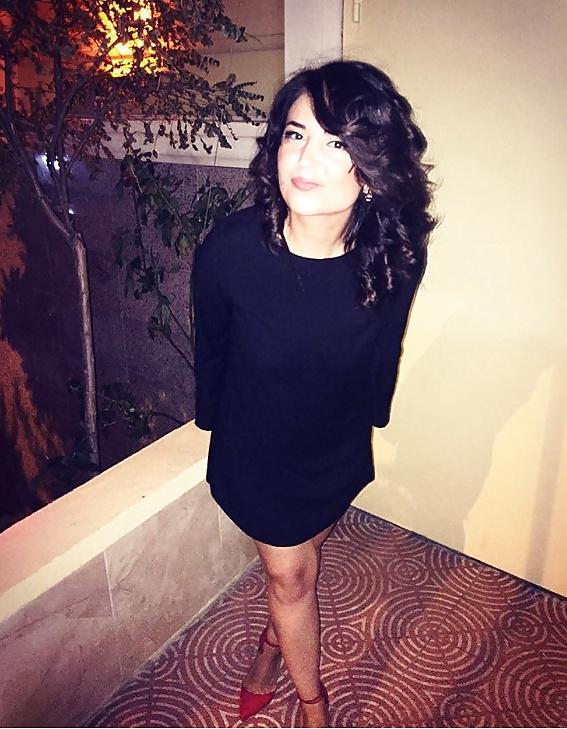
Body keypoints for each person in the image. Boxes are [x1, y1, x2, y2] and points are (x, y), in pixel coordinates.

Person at [191, 59, 435, 728]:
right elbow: (212, 348)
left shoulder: (396, 255)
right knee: (290, 576)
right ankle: (312, 705)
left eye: (335, 143)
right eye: (295, 135)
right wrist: (211, 424)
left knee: (303, 560)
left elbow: (385, 345)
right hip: (258, 450)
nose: (305, 160)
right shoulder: (230, 250)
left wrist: (372, 419)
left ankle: (273, 643)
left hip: (335, 445)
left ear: (371, 166)